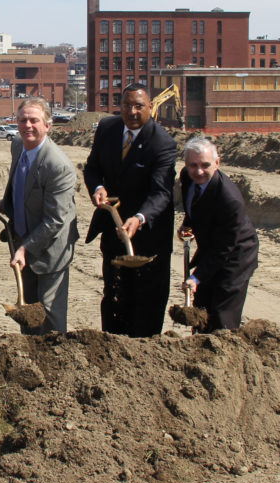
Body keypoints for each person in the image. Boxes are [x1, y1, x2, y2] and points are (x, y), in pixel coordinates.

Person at [83, 83, 177, 337]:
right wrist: (98, 187)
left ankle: (143, 353)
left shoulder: (162, 143)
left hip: (148, 238)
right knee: (114, 294)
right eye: (127, 105)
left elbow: (162, 193)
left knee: (146, 300)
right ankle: (112, 344)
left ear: (150, 108)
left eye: (139, 106)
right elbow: (91, 168)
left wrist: (139, 217)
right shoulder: (107, 128)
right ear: (120, 106)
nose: (133, 111)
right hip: (114, 230)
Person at [0, 97, 79, 334]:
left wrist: (25, 248)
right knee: (28, 310)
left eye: (34, 120)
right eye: (22, 120)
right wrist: (9, 202)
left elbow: (56, 219)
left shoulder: (58, 166)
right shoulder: (18, 145)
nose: (27, 126)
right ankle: (30, 357)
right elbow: (20, 179)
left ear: (47, 126)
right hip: (24, 238)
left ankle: (56, 361)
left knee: (50, 315)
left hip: (52, 249)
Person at [179, 137, 259, 331]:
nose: (198, 171)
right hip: (213, 247)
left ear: (217, 163)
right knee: (202, 306)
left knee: (221, 313)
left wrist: (196, 277)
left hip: (236, 255)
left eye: (205, 165)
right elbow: (194, 203)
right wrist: (187, 225)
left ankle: (223, 353)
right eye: (193, 165)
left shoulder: (229, 200)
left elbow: (224, 249)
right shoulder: (186, 176)